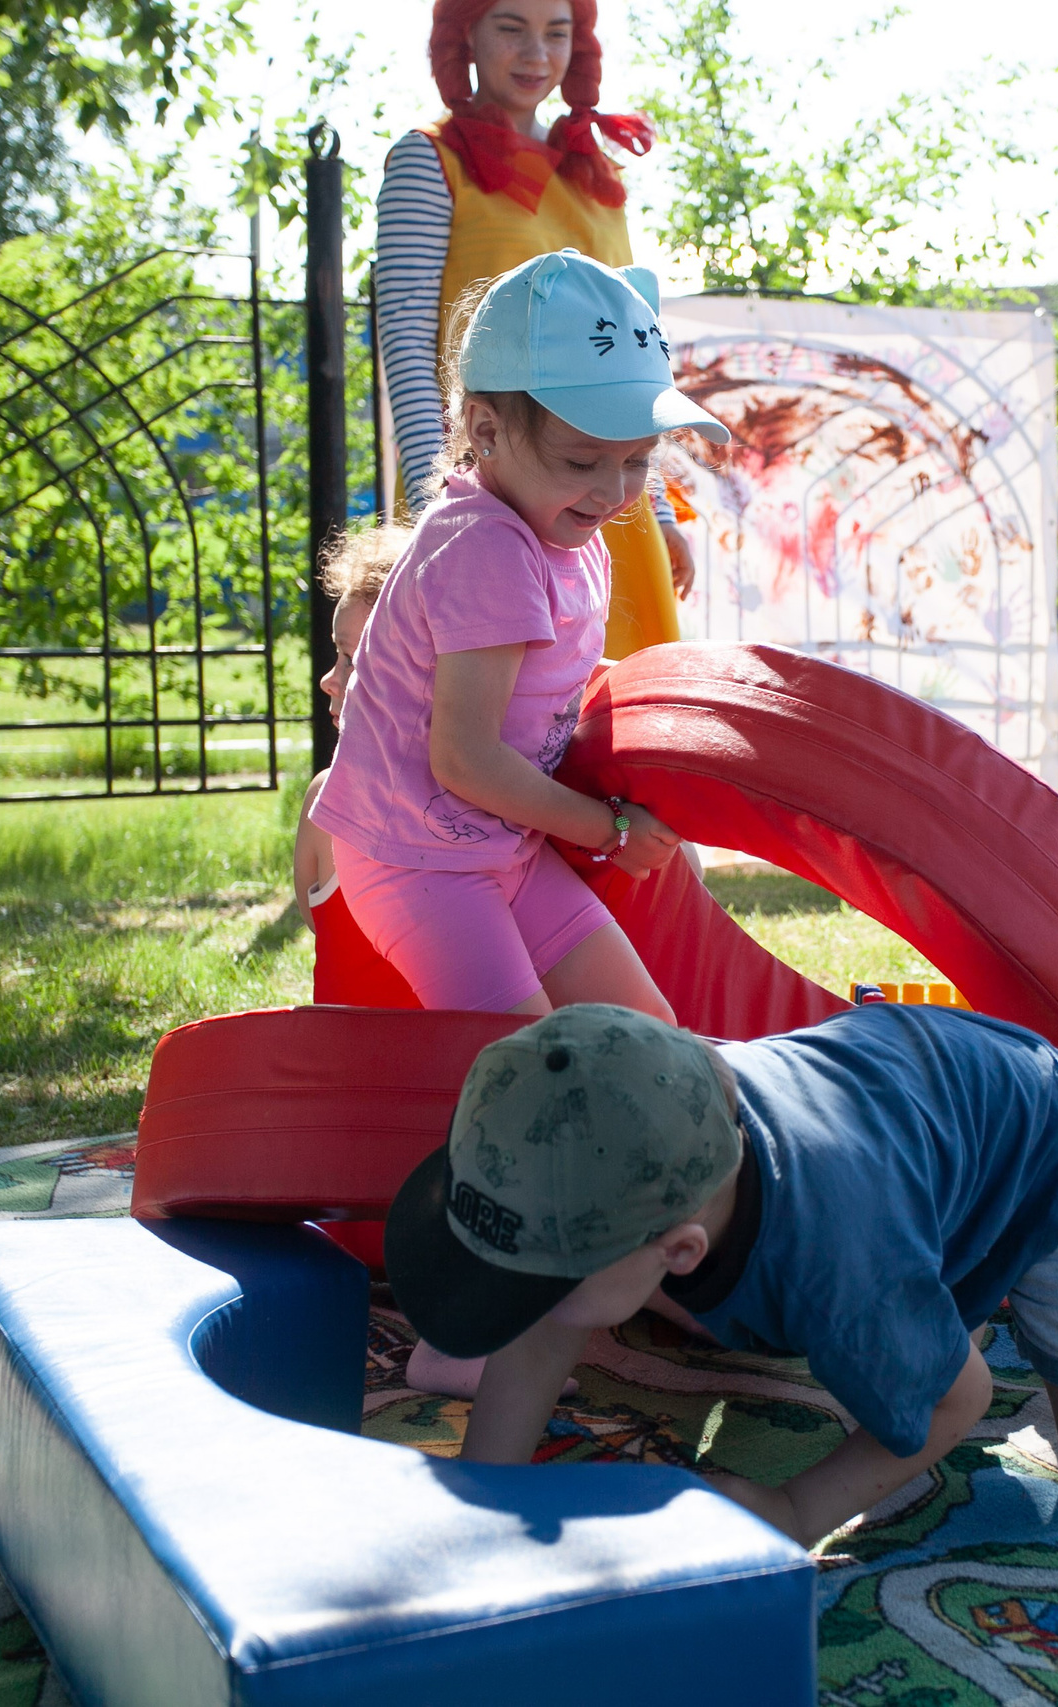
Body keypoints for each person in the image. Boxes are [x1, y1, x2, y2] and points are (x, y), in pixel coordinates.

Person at [314, 249, 727, 1397]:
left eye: (637, 462)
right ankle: (469, 1334)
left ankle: (673, 1268)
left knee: (651, 1046)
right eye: (582, 460)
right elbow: (466, 756)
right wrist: (602, 825)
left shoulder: (562, 527)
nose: (610, 490)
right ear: (482, 430)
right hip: (418, 859)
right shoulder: (488, 549)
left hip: (496, 848)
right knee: (532, 1084)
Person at [383, 1002, 1058, 1542]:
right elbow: (541, 1334)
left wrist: (794, 1508)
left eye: (542, 1277)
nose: (522, 1295)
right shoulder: (620, 1115)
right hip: (918, 1150)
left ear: (680, 1252)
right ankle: (972, 1304)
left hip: (1043, 1148)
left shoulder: (840, 1267)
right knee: (913, 1322)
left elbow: (958, 1399)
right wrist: (482, 1517)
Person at [375, 0, 695, 658]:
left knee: (622, 734)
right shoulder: (427, 160)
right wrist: (433, 501)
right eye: (511, 27)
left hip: (615, 502)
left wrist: (658, 510)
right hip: (501, 493)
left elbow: (633, 357)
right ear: (465, 33)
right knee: (504, 730)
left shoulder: (595, 175)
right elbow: (408, 346)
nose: (537, 54)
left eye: (557, 32)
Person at [294, 522, 421, 1010]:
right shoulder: (499, 799)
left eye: (351, 658)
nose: (329, 679)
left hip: (340, 1075)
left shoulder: (327, 796)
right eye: (336, 655)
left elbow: (317, 921)